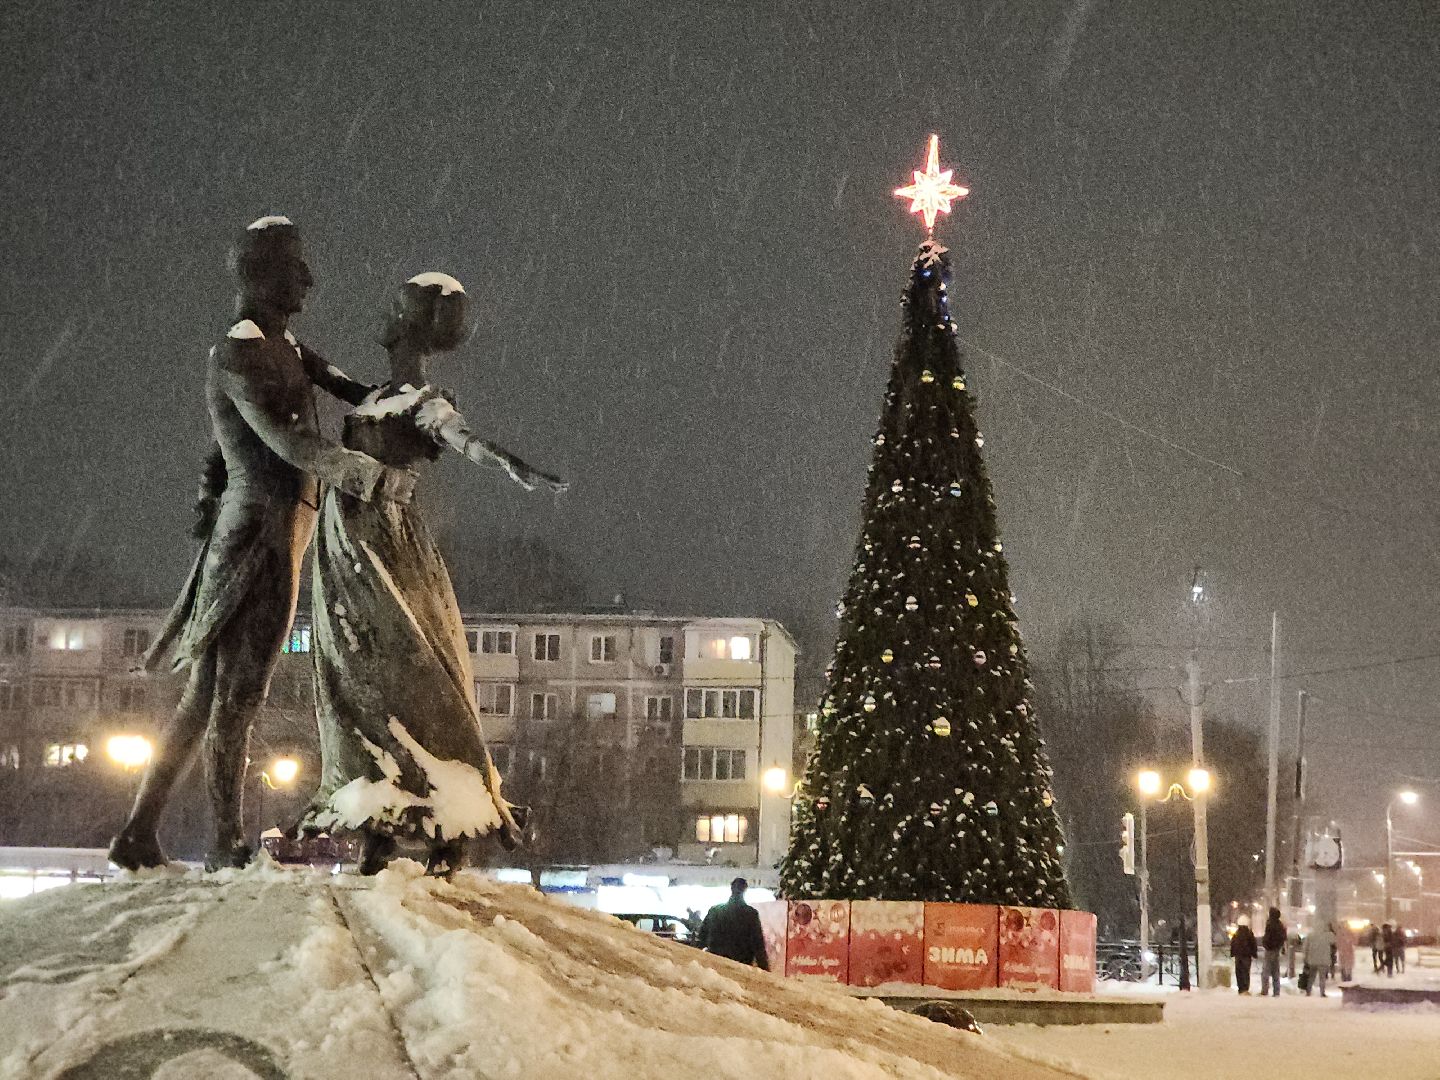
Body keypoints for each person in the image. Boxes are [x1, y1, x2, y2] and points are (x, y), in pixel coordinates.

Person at [109, 216, 414, 871]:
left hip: (280, 534)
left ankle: (139, 833)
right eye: (296, 266)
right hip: (256, 543)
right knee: (234, 697)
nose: (308, 278)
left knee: (207, 698)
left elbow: (348, 389)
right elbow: (286, 439)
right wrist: (367, 476)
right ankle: (224, 843)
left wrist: (401, 404)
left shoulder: (286, 345)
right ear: (263, 275)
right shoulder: (240, 351)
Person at [297, 272, 565, 876]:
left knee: (412, 672)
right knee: (357, 675)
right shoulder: (370, 393)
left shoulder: (422, 400)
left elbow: (461, 437)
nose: (383, 319)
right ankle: (379, 812)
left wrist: (508, 461)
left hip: (390, 542)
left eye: (395, 309)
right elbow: (314, 366)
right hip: (345, 546)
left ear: (408, 324)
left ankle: (444, 813)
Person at [698, 877, 770, 969]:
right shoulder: (751, 914)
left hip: (715, 965)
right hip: (741, 967)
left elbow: (701, 939)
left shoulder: (715, 911)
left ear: (731, 888)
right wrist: (765, 969)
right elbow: (758, 945)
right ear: (745, 890)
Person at [1303, 923, 1335, 997]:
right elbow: (1334, 940)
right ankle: (1322, 992)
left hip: (1313, 959)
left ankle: (1308, 991)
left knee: (1311, 976)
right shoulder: (1327, 935)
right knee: (1322, 977)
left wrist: (1306, 957)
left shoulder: (1311, 935)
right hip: (1323, 960)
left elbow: (1305, 947)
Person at [1260, 906, 1286, 997]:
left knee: (1266, 971)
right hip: (1276, 950)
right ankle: (1276, 991)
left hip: (1269, 949)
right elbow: (1283, 937)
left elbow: (1267, 937)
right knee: (1275, 971)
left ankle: (1265, 990)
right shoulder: (1280, 925)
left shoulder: (1270, 924)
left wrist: (1265, 944)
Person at [1229, 915, 1258, 994]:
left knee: (1239, 972)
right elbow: (1253, 944)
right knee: (1246, 972)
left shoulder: (1236, 934)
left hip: (1238, 956)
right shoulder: (1249, 933)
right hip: (1246, 956)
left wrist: (1232, 953)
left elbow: (1233, 944)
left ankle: (1240, 988)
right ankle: (1245, 988)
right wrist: (1254, 954)